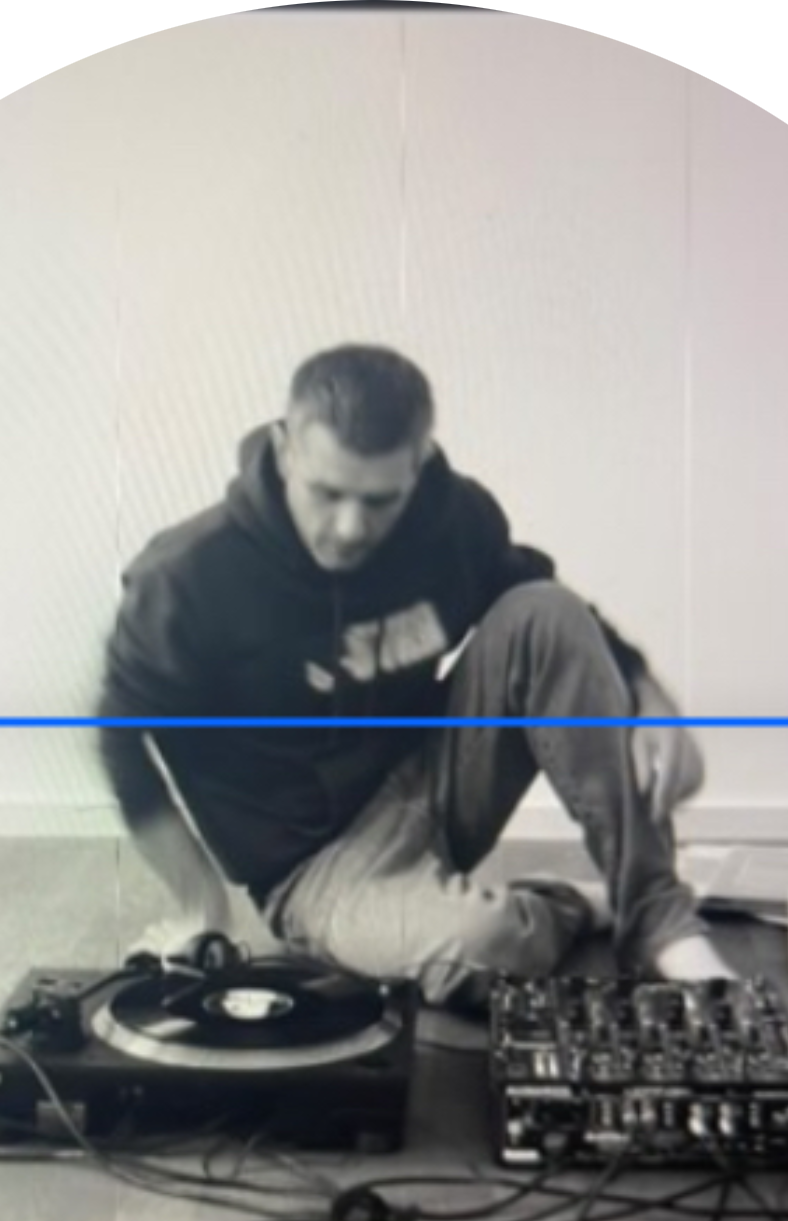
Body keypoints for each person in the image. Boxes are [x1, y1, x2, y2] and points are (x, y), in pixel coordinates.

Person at [97, 345, 733, 1003]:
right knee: (487, 947)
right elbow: (120, 737)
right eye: (326, 493)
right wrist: (201, 904)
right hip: (314, 868)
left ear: (419, 462)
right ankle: (564, 904)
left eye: (380, 500)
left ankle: (657, 917)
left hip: (434, 779)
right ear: (286, 451)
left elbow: (538, 603)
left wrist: (646, 693)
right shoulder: (187, 576)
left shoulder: (454, 518)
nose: (349, 527)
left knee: (545, 609)